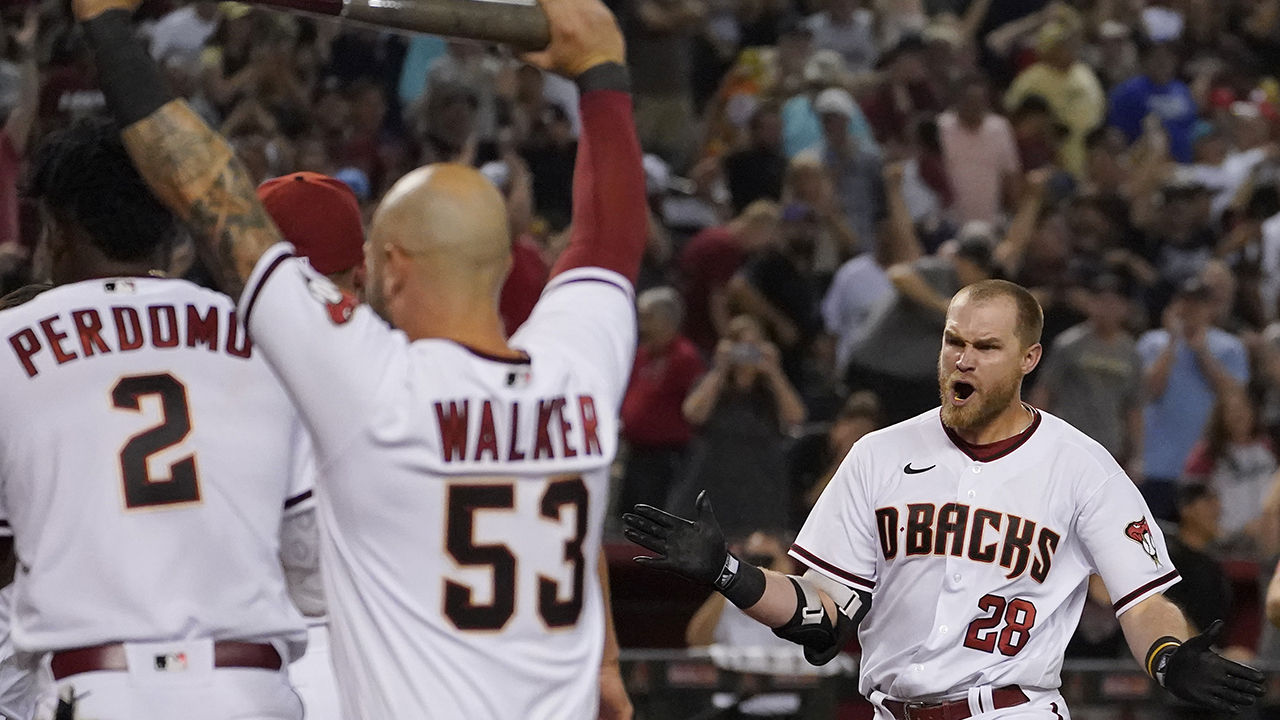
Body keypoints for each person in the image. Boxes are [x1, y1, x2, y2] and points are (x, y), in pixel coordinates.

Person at [74, 0, 643, 718]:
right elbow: (609, 238)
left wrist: (108, 28)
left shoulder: (374, 391)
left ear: (393, 267)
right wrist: (603, 73)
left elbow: (208, 190)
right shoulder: (579, 377)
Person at [625, 279, 1265, 717]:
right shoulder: (878, 455)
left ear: (1028, 359)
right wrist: (726, 572)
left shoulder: (1083, 467)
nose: (964, 359)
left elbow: (1143, 602)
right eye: (954, 341)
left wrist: (1170, 656)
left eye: (987, 348)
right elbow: (822, 618)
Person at [0, 116, 313, 720]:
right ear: (173, 229)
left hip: (98, 690)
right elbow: (311, 558)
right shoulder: (262, 331)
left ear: (57, 234)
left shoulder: (9, 342)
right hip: (250, 689)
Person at [257, 170, 368, 720]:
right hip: (369, 664)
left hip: (221, 668)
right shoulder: (408, 377)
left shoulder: (196, 371)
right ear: (364, 275)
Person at [668, 315, 807, 539]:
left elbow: (796, 417)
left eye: (754, 346)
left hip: (759, 484)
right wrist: (720, 369)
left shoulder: (770, 391)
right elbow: (693, 413)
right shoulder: (713, 384)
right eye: (741, 346)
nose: (747, 355)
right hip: (712, 477)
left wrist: (774, 371)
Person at [1139, 278, 1249, 521]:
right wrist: (1172, 341)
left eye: (1199, 304)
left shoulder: (1230, 347)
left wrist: (1201, 351)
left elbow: (1235, 397)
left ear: (1210, 309)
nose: (1192, 310)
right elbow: (1148, 391)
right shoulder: (1152, 343)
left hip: (1207, 466)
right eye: (1186, 302)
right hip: (1156, 464)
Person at [1029, 274, 1142, 469]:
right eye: (1101, 301)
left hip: (1110, 447)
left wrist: (1137, 454)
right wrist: (1032, 435)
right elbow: (1045, 390)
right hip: (1068, 442)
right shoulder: (1069, 345)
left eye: (1114, 303)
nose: (1107, 309)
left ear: (1125, 308)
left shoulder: (1130, 353)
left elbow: (1133, 406)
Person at [620, 287, 706, 511]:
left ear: (669, 320)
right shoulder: (640, 354)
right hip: (636, 453)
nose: (642, 325)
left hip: (667, 458)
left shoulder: (685, 357)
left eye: (648, 317)